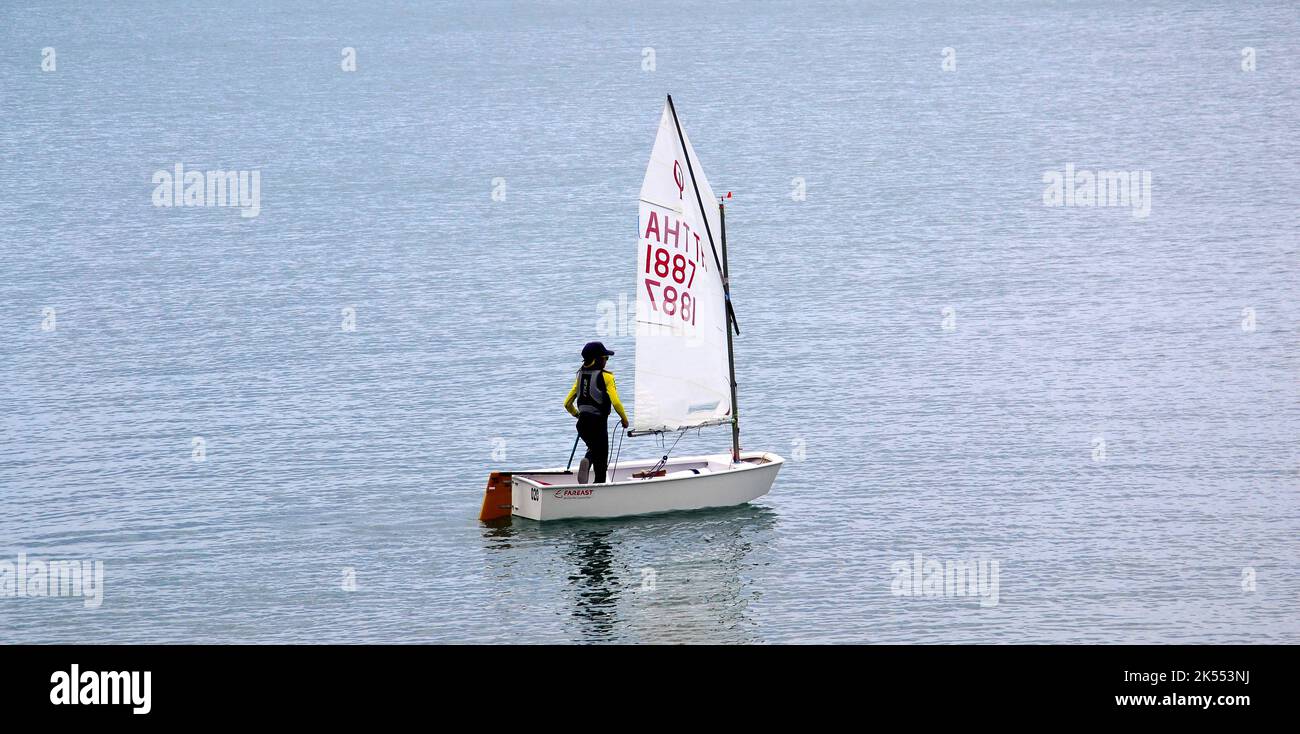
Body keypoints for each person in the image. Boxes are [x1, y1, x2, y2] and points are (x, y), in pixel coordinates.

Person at [564, 341, 629, 484]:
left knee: (594, 449)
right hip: (598, 424)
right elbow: (616, 402)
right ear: (598, 359)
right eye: (606, 358)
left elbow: (567, 403)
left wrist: (578, 414)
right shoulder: (606, 377)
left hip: (582, 425)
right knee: (601, 463)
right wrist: (624, 419)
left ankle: (587, 459)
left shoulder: (580, 375)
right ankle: (598, 489)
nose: (606, 361)